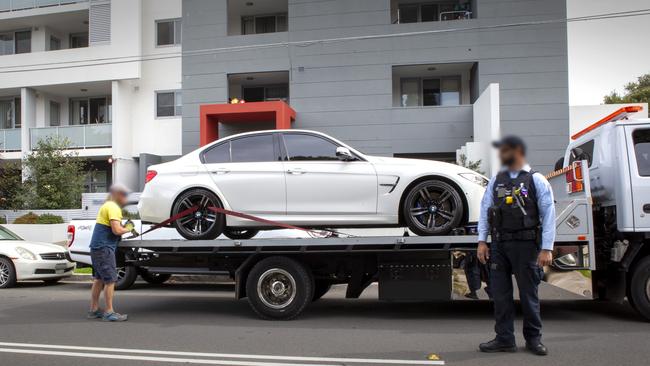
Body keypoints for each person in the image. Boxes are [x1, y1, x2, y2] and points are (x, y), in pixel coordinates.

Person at [476, 135, 555, 356]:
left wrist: (547, 247)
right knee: (500, 296)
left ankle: (533, 339)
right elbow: (485, 211)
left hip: (527, 245)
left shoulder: (536, 179)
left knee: (529, 296)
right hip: (499, 245)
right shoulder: (496, 180)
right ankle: (504, 339)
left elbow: (549, 214)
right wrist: (482, 241)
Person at [87, 183, 138, 322]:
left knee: (99, 279)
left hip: (97, 247)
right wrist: (128, 228)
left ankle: (94, 310)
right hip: (104, 248)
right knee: (110, 280)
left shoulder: (107, 206)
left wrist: (123, 228)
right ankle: (109, 312)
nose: (126, 199)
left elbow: (112, 228)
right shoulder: (113, 207)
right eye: (124, 195)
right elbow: (116, 230)